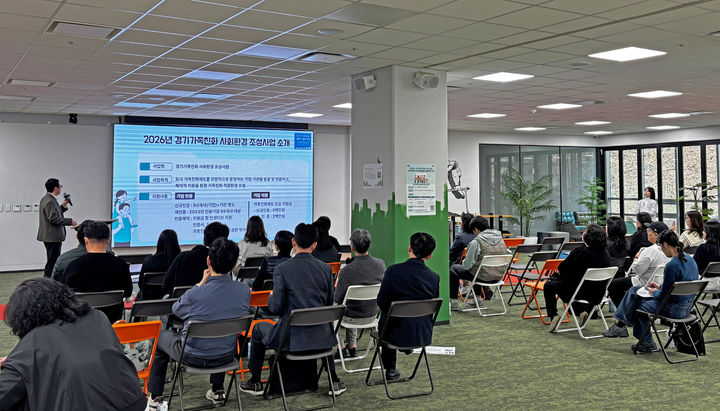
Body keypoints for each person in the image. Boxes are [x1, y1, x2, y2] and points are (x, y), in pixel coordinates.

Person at [0, 278, 145, 410]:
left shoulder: (31, 345)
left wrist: (18, 363)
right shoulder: (97, 317)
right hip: (134, 403)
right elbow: (82, 359)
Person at [240, 223, 346, 396]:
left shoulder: (282, 269)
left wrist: (271, 297)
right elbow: (328, 305)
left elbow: (276, 307)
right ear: (314, 245)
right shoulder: (326, 269)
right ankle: (334, 380)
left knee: (258, 328)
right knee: (323, 324)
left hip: (290, 340)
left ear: (294, 242)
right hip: (321, 339)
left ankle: (255, 381)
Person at [146, 238, 251, 410]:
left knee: (160, 338)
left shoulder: (194, 294)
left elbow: (176, 310)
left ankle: (155, 398)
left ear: (208, 261)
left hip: (191, 356)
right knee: (222, 334)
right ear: (234, 265)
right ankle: (217, 390)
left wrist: (200, 284)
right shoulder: (244, 291)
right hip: (226, 355)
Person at [608, 230, 699, 352]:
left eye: (661, 247)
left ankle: (642, 339)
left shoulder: (672, 265)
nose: (661, 250)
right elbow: (676, 287)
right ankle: (622, 324)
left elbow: (662, 296)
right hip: (687, 306)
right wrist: (659, 287)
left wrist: (654, 292)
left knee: (636, 304)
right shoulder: (690, 260)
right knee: (634, 290)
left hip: (674, 308)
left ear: (665, 245)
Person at [376, 232, 439, 381]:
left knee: (387, 317)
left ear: (409, 248)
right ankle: (406, 347)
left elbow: (382, 302)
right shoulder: (434, 277)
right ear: (430, 256)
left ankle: (390, 369)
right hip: (422, 333)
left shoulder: (393, 271)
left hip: (394, 334)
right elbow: (433, 305)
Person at [604, 221, 671, 338]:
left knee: (613, 285)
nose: (647, 233)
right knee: (620, 285)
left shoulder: (650, 251)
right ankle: (623, 321)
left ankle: (624, 319)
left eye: (649, 231)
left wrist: (636, 258)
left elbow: (637, 270)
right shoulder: (670, 250)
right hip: (662, 284)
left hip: (645, 284)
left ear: (656, 235)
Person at [62, 221, 133, 323]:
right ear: (108, 240)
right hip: (111, 321)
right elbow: (128, 292)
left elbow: (64, 295)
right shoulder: (121, 265)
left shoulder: (73, 267)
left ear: (86, 240)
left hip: (81, 320)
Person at [545, 224, 612, 332]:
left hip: (579, 292)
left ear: (587, 237)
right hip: (597, 294)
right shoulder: (606, 253)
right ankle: (580, 312)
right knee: (567, 284)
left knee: (549, 285)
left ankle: (553, 315)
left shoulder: (581, 252)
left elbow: (562, 268)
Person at [334, 229, 385, 358]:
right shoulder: (381, 265)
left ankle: (342, 348)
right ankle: (352, 346)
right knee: (351, 304)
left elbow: (338, 298)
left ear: (351, 247)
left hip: (351, 317)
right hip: (372, 315)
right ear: (370, 245)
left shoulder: (347, 270)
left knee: (337, 306)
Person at [449, 216, 509, 311]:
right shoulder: (501, 241)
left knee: (454, 269)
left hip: (482, 277)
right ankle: (477, 299)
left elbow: (467, 265)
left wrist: (464, 261)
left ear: (476, 229)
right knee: (478, 267)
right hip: (498, 277)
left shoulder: (476, 242)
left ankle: (453, 302)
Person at [163, 222, 229, 294]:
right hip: (214, 299)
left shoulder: (183, 257)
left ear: (205, 238)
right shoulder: (224, 261)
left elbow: (166, 285)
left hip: (181, 299)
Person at [37, 178, 77, 278]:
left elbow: (54, 213)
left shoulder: (47, 199)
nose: (60, 188)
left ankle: (49, 280)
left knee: (52, 259)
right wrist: (70, 221)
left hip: (49, 236)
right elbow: (53, 219)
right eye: (60, 186)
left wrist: (64, 205)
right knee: (52, 261)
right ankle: (48, 281)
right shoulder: (50, 201)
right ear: (55, 188)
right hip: (52, 237)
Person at [139, 229, 181, 300]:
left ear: (159, 243)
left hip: (149, 302)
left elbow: (141, 284)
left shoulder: (149, 261)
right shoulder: (180, 262)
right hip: (173, 301)